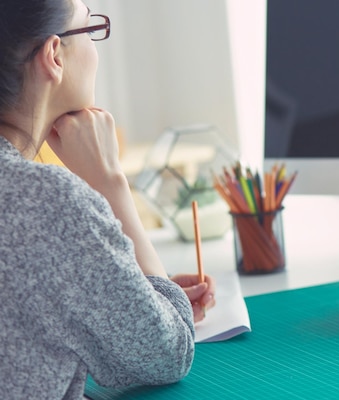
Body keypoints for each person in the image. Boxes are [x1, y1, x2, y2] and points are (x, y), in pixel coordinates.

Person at [0, 0, 216, 398]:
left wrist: (130, 288)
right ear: (53, 55)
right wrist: (110, 184)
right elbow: (168, 354)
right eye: (90, 29)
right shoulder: (49, 203)